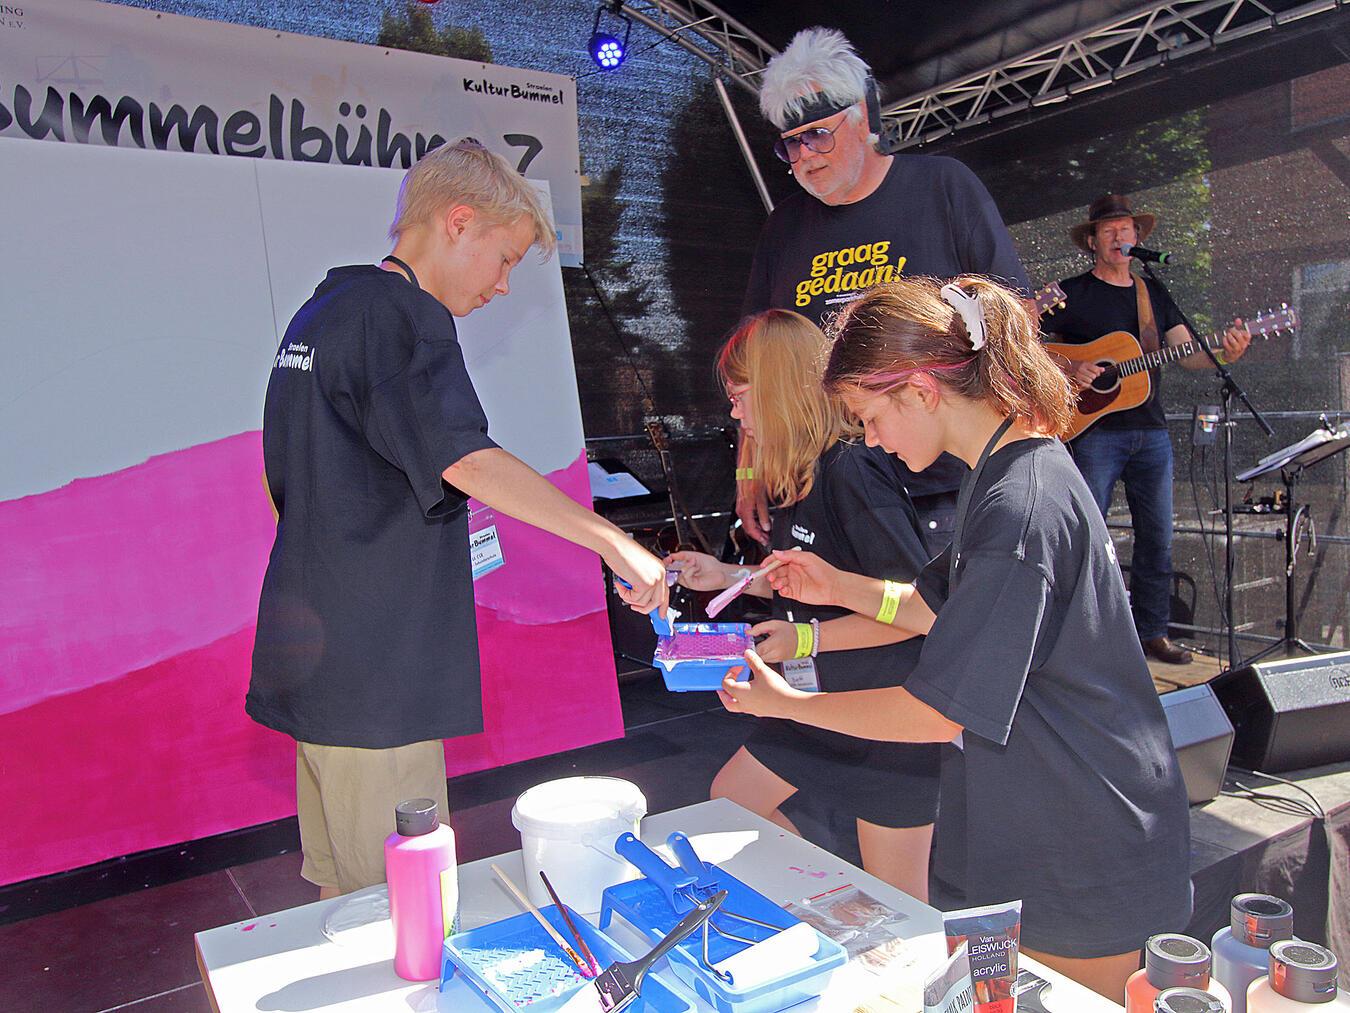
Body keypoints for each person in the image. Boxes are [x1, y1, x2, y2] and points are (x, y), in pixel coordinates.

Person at [718, 276, 1193, 1000]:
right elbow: (935, 605)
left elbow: (937, 710)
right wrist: (838, 586)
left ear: (919, 389)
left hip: (1083, 847)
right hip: (1031, 827)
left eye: (870, 416)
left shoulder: (1020, 506)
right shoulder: (1004, 471)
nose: (870, 437)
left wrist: (784, 704)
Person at [247, 139, 667, 898]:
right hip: (379, 676)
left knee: (346, 896)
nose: (505, 286)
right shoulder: (406, 316)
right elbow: (465, 457)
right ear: (459, 222)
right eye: (504, 258)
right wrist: (612, 538)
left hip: (319, 666)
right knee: (403, 903)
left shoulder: (322, 311)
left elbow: (283, 483)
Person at [665, 310, 940, 899]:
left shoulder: (853, 472)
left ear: (780, 389)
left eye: (741, 396)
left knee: (902, 902)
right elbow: (808, 584)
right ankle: (832, 908)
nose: (735, 413)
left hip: (889, 715)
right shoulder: (799, 475)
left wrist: (811, 640)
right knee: (734, 800)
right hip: (819, 701)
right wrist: (727, 575)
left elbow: (919, 610)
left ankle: (853, 921)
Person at [735, 26, 1030, 549]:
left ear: (863, 119)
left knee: (937, 624)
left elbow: (1016, 318)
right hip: (822, 484)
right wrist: (748, 470)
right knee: (826, 623)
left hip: (942, 485)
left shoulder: (943, 186)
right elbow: (758, 368)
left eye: (817, 135)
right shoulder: (782, 228)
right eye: (790, 145)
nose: (805, 156)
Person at [1045, 194, 1252, 664]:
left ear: (1138, 239)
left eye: (1127, 229)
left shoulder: (1151, 292)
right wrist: (1067, 370)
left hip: (1151, 433)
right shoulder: (1070, 293)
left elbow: (1191, 352)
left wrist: (1227, 352)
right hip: (1092, 431)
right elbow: (1026, 346)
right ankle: (1083, 639)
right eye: (1110, 230)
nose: (1120, 236)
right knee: (1090, 537)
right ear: (1093, 241)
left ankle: (1153, 633)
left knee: (1157, 537)